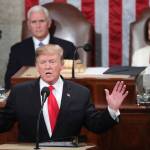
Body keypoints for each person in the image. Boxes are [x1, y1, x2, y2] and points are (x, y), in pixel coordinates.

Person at [0, 44, 128, 143]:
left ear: (62, 65)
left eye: (52, 62)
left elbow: (96, 125)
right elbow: (4, 123)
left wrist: (112, 109)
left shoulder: (80, 93)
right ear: (37, 66)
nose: (47, 67)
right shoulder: (20, 92)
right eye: (43, 62)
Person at [4, 5, 78, 91]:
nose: (38, 26)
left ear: (49, 23)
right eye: (34, 22)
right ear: (28, 25)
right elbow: (9, 81)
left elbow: (75, 80)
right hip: (27, 96)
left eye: (41, 21)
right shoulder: (17, 50)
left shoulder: (67, 47)